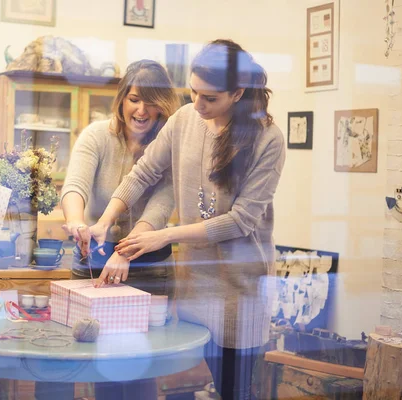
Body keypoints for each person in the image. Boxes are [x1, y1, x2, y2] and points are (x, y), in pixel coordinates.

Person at [90, 39, 286, 400]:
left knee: (235, 390)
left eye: (210, 98)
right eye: (193, 92)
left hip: (240, 293)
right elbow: (143, 172)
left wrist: (164, 236)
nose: (198, 104)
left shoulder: (267, 140)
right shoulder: (184, 119)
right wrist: (106, 219)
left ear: (238, 92)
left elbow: (240, 222)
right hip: (195, 286)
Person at [47, 60, 179, 400]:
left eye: (151, 101)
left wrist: (124, 252)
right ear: (122, 99)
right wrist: (77, 223)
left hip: (148, 265)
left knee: (137, 367)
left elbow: (160, 208)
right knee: (90, 358)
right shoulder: (96, 136)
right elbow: (74, 185)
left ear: (164, 105)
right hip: (95, 255)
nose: (142, 109)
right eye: (134, 98)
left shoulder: (169, 146)